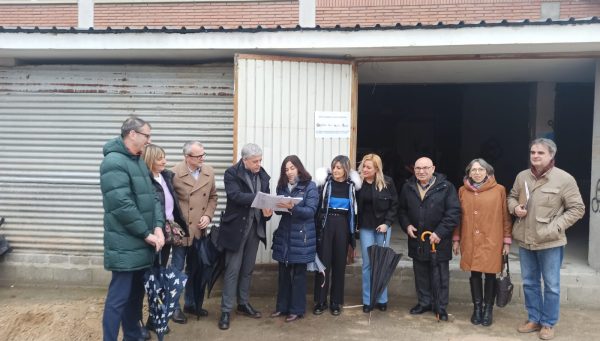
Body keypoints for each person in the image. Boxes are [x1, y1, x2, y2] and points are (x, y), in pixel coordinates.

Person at [507, 138, 584, 340]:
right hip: (525, 240)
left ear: (551, 155)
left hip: (550, 242)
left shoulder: (564, 179)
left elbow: (577, 209)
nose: (535, 156)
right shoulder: (522, 176)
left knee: (551, 285)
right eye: (533, 152)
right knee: (530, 282)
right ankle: (534, 318)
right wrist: (514, 208)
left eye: (540, 153)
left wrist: (554, 228)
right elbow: (511, 197)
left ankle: (548, 323)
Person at [100, 116, 165, 341]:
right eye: (147, 135)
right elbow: (121, 204)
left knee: (136, 296)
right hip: (125, 243)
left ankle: (132, 334)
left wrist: (158, 227)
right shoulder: (114, 162)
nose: (150, 140)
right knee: (118, 298)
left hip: (142, 242)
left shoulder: (137, 160)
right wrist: (146, 233)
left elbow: (154, 197)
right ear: (133, 134)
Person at [216, 143, 273, 330]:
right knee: (232, 269)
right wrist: (259, 199)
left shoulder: (263, 175)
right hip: (237, 228)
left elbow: (267, 201)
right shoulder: (231, 173)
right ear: (245, 160)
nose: (258, 164)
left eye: (260, 160)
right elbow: (235, 196)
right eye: (255, 161)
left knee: (248, 269)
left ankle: (243, 303)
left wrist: (268, 210)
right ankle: (225, 310)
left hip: (255, 228)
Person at [398, 157, 460, 321]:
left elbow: (453, 213)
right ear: (414, 170)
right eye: (418, 168)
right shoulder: (408, 186)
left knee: (440, 275)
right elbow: (402, 210)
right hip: (417, 239)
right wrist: (407, 226)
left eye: (425, 168)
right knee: (421, 273)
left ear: (433, 169)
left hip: (438, 240)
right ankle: (424, 302)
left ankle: (440, 306)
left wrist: (440, 232)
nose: (421, 171)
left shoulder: (446, 187)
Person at [452, 158, 512, 327]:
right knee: (475, 273)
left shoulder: (499, 190)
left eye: (480, 169)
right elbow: (458, 217)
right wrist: (456, 239)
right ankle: (477, 308)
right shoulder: (462, 191)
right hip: (470, 238)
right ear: (468, 173)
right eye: (473, 170)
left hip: (492, 239)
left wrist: (506, 241)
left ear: (488, 172)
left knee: (491, 274)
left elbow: (505, 217)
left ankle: (488, 309)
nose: (477, 173)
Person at [142, 144, 189, 332]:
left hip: (168, 232)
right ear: (150, 160)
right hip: (154, 235)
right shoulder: (145, 181)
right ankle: (150, 320)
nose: (164, 161)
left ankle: (156, 318)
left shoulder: (166, 176)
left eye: (164, 157)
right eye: (160, 158)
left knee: (161, 276)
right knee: (153, 277)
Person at [171, 140, 218, 321]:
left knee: (194, 269)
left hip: (199, 231)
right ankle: (173, 307)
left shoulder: (209, 171)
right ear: (187, 157)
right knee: (177, 270)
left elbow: (213, 196)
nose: (202, 159)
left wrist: (208, 215)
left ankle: (190, 304)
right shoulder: (174, 173)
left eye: (203, 155)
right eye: (198, 156)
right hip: (181, 231)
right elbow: (168, 202)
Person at [270, 155, 319, 322]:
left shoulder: (310, 186)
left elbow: (310, 211)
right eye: (286, 169)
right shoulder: (282, 186)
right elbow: (278, 211)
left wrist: (292, 208)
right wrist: (273, 206)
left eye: (292, 168)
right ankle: (281, 307)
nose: (289, 172)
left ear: (299, 168)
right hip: (285, 234)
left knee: (298, 274)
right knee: (283, 273)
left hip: (302, 236)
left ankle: (297, 310)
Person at [313, 155, 361, 316]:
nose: (335, 170)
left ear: (346, 169)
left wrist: (352, 240)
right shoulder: (325, 185)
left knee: (339, 265)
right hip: (326, 225)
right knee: (323, 265)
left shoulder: (351, 186)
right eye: (333, 167)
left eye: (339, 167)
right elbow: (317, 208)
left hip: (342, 226)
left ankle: (335, 302)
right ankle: (320, 301)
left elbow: (353, 213)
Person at [356, 153, 399, 313]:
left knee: (381, 263)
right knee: (367, 264)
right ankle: (368, 300)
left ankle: (381, 298)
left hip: (382, 228)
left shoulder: (387, 182)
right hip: (366, 228)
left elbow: (394, 204)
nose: (364, 169)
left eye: (368, 167)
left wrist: (387, 224)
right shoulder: (358, 183)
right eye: (363, 166)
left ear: (376, 169)